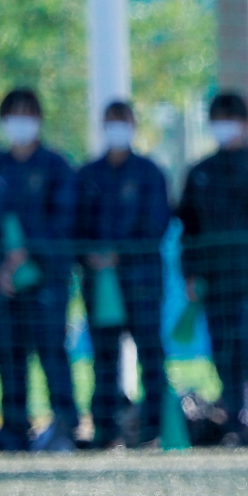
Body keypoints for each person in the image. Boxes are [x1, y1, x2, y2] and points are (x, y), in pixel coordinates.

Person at [176, 92, 248, 442]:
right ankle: (237, 421)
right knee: (225, 354)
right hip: (214, 281)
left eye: (231, 119)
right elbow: (189, 229)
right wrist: (191, 273)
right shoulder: (199, 173)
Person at [75, 100, 170, 448]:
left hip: (142, 281)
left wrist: (120, 254)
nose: (117, 128)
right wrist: (91, 256)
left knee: (150, 353)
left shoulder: (149, 173)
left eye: (123, 121)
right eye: (110, 121)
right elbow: (76, 226)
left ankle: (154, 427)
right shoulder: (88, 175)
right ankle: (104, 428)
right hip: (99, 284)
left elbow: (157, 224)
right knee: (104, 358)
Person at [0, 89, 78, 451]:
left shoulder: (56, 166)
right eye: (13, 114)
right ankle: (13, 430)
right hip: (3, 285)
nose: (19, 123)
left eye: (27, 114)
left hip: (48, 281)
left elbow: (64, 221)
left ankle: (65, 425)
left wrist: (31, 256)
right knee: (8, 356)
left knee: (52, 352)